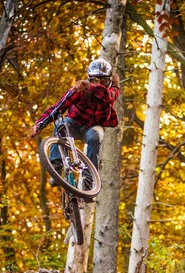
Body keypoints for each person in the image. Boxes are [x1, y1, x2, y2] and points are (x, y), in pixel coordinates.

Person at [29, 58, 120, 192]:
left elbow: (107, 96)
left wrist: (90, 86)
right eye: (95, 80)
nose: (100, 84)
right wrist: (39, 124)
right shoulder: (80, 90)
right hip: (74, 125)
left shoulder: (112, 90)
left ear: (110, 81)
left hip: (93, 127)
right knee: (61, 123)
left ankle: (89, 178)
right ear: (90, 79)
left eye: (104, 81)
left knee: (96, 136)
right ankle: (56, 165)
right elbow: (58, 108)